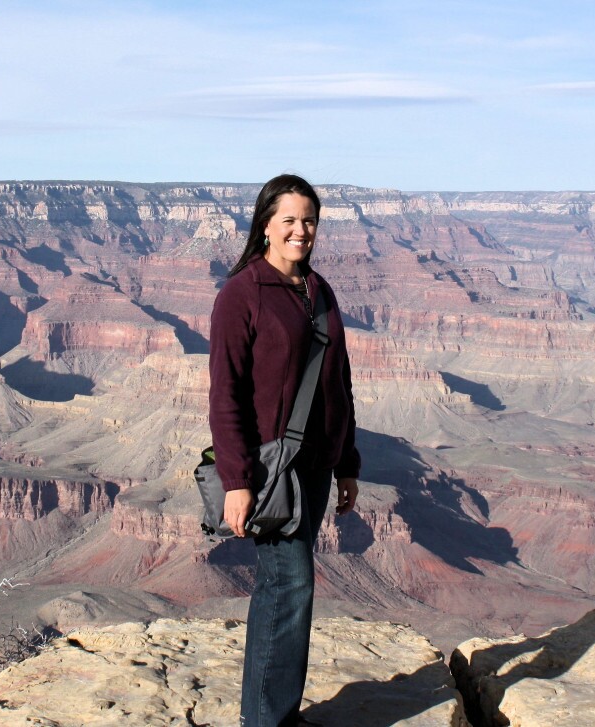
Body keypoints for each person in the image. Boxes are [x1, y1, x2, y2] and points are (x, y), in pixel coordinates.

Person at [208, 174, 360, 727]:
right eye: (289, 220)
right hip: (271, 470)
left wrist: (348, 464)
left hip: (317, 466)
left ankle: (274, 713)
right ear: (266, 226)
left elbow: (339, 383)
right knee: (290, 582)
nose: (301, 230)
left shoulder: (319, 291)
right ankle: (268, 720)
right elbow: (224, 394)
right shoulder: (241, 294)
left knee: (285, 589)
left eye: (309, 220)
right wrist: (237, 481)